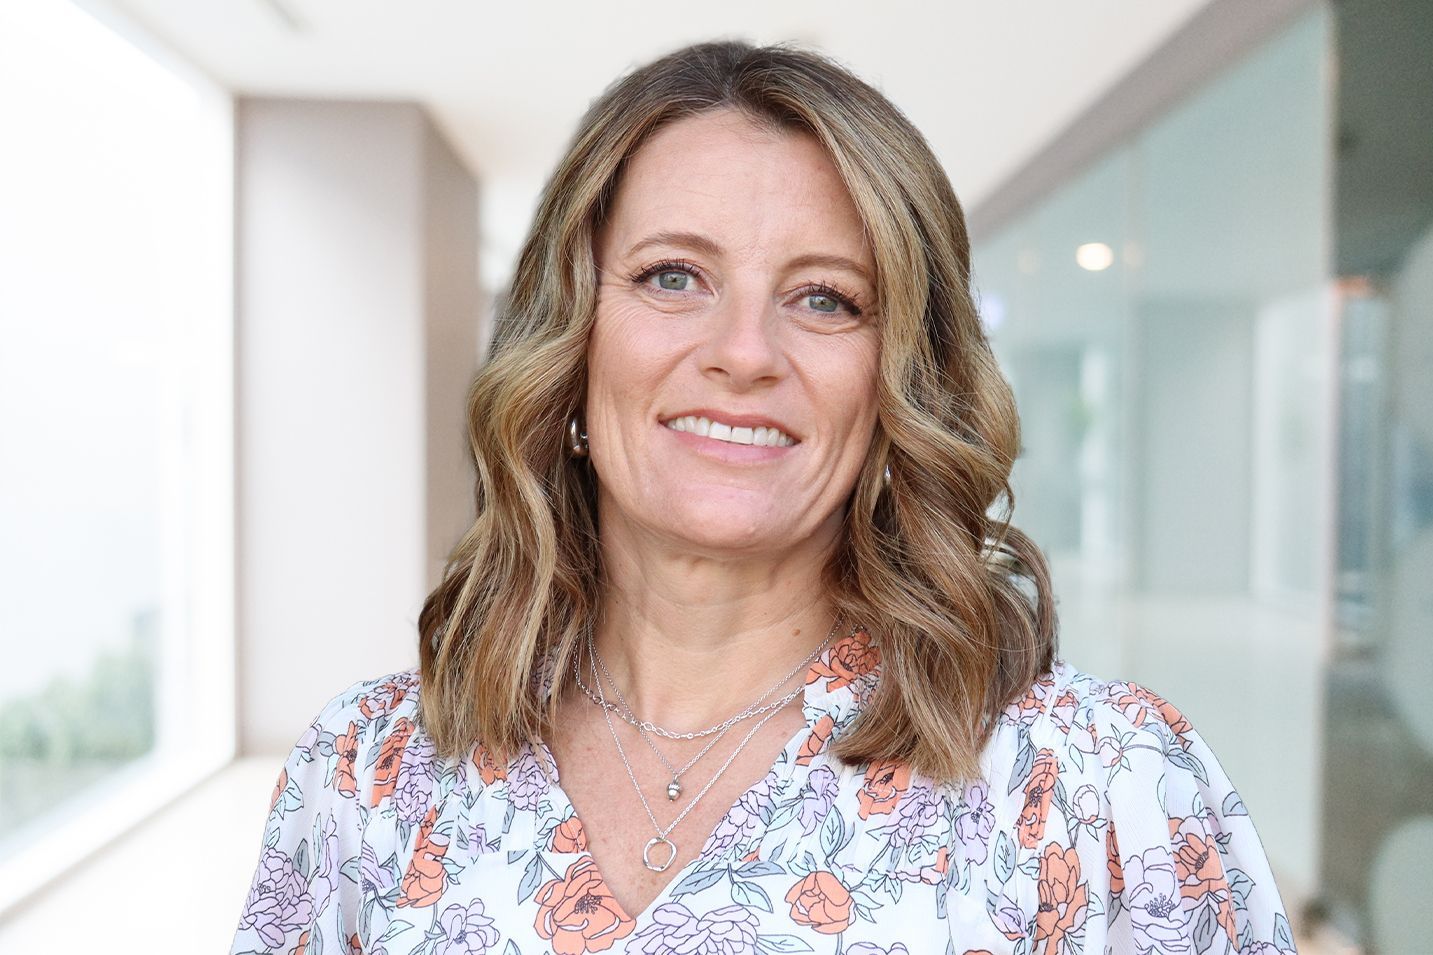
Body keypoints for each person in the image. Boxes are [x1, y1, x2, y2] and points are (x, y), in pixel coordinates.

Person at [230, 40, 1296, 955]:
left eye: (824, 298)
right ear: (569, 340)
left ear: (896, 382)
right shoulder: (367, 773)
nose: (743, 352)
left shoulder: (1106, 791)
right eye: (671, 276)